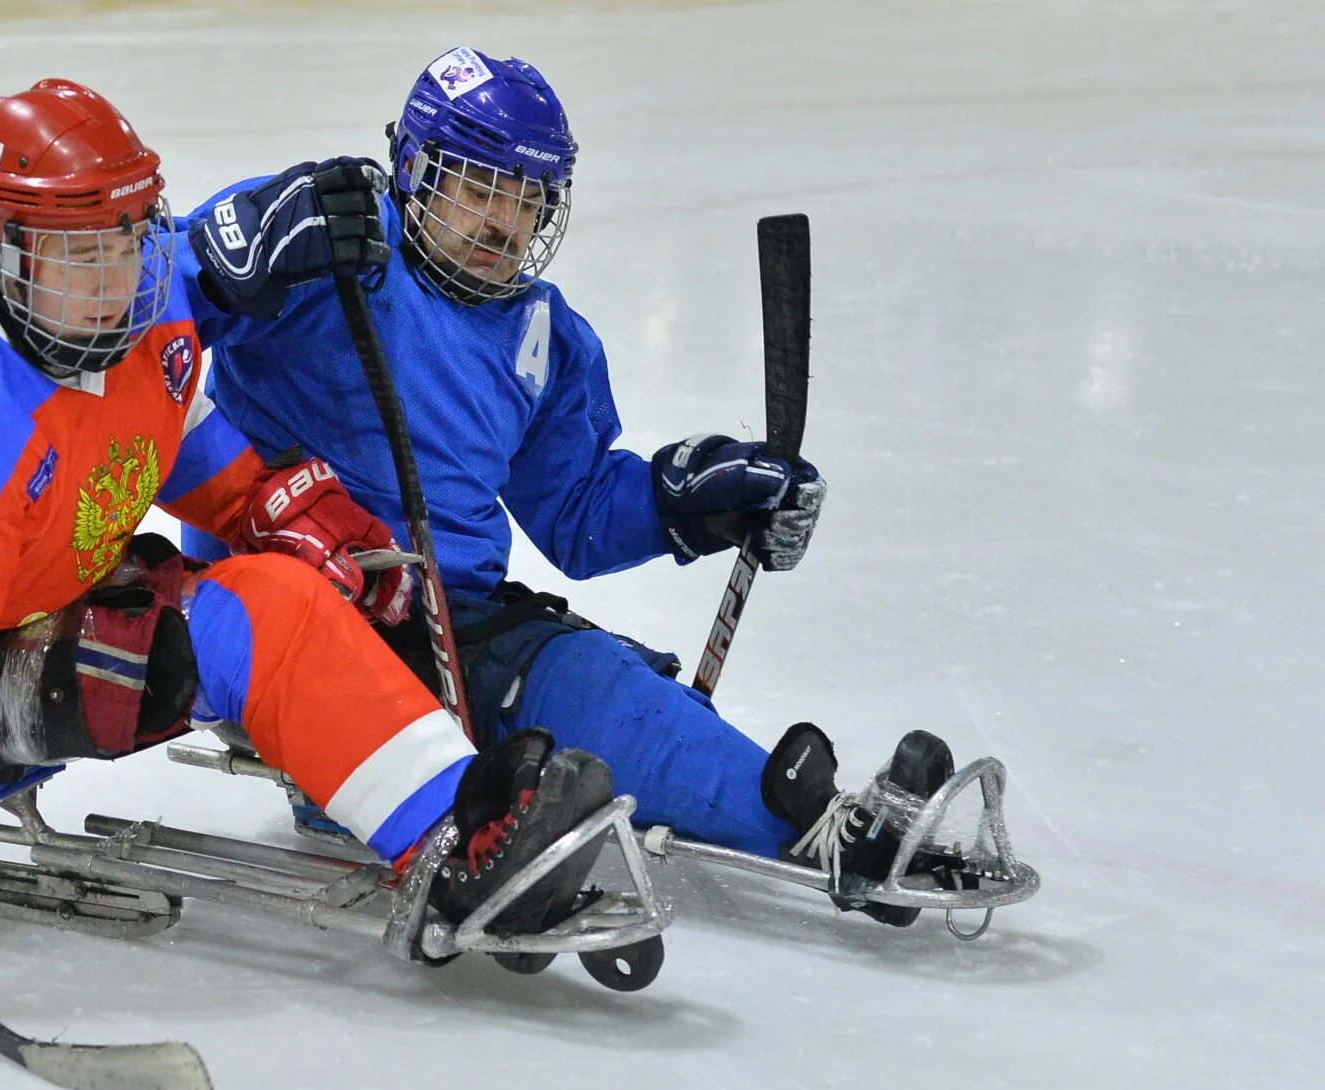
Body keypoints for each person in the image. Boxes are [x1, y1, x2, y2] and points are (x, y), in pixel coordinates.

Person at [0, 78, 619, 1031]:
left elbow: (165, 405)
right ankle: (449, 838)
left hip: (12, 586)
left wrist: (263, 504)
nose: (118, 272)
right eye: (82, 251)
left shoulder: (115, 292)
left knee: (273, 593)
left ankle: (457, 829)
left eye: (127, 233)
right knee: (188, 641)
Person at [176, 48, 963, 926]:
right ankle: (401, 789)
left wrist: (687, 500)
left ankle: (830, 827)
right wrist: (221, 261)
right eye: (478, 188)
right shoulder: (329, 240)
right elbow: (143, 311)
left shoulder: (541, 333)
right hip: (301, 607)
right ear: (413, 170)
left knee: (596, 681)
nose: (503, 223)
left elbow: (578, 513)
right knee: (529, 703)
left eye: (527, 199)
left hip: (456, 624)